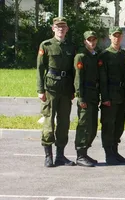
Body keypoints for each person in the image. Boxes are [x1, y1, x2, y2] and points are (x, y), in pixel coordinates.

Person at [37, 16, 76, 167]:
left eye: (63, 27)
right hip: (51, 88)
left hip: (66, 90)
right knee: (49, 122)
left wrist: (73, 89)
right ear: (53, 29)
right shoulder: (46, 45)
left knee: (64, 123)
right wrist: (41, 90)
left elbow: (73, 71)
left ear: (67, 29)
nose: (60, 29)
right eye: (57, 27)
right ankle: (48, 156)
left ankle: (60, 155)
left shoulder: (71, 47)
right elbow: (40, 69)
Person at [99, 26, 125, 165]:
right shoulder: (104, 55)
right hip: (110, 96)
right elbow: (102, 78)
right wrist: (104, 98)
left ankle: (115, 151)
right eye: (114, 36)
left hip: (121, 95)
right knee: (108, 126)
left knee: (119, 125)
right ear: (110, 37)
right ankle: (108, 154)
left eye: (119, 36)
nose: (117, 38)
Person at [74, 31, 100, 167]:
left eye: (94, 39)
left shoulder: (95, 56)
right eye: (89, 40)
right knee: (84, 125)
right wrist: (80, 97)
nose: (92, 42)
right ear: (85, 41)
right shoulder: (81, 56)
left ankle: (85, 153)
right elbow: (78, 79)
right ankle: (80, 155)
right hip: (85, 95)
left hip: (94, 95)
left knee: (92, 126)